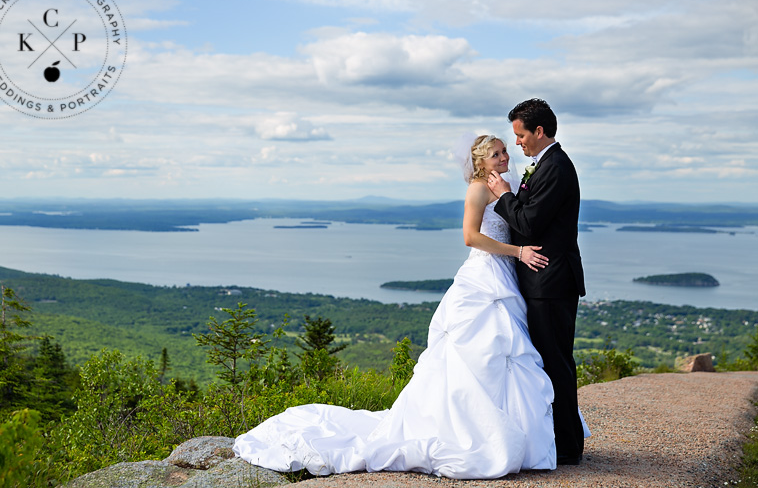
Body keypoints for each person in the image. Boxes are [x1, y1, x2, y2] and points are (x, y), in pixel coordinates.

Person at [232, 134, 561, 479]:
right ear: (480, 162)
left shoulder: (502, 185)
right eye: (496, 154)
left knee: (504, 355)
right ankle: (476, 433)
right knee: (477, 351)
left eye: (505, 150)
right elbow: (470, 236)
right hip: (486, 276)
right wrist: (517, 252)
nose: (504, 156)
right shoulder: (478, 189)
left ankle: (515, 432)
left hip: (505, 277)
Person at [487, 98, 586, 465]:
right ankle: (555, 442)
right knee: (547, 362)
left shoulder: (556, 167)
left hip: (551, 282)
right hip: (542, 282)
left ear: (539, 131)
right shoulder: (543, 165)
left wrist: (504, 195)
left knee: (556, 363)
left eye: (520, 134)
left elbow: (528, 224)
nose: (517, 144)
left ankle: (567, 448)